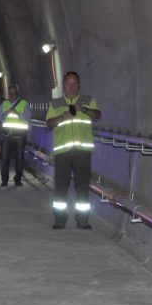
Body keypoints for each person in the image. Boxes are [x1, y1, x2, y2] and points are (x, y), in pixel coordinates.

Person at [45, 72, 101, 229]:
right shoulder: (55, 104)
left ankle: (83, 219)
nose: (71, 87)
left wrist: (84, 109)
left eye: (74, 83)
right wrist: (62, 117)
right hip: (63, 151)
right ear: (63, 85)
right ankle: (59, 219)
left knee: (82, 185)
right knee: (61, 186)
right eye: (68, 84)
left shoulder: (88, 101)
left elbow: (97, 115)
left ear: (79, 85)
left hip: (82, 151)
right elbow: (49, 123)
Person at [0, 84, 31, 187]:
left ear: (17, 93)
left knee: (19, 158)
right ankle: (4, 180)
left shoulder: (24, 103)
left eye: (13, 93)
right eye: (10, 93)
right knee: (5, 158)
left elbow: (27, 117)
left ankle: (18, 179)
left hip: (19, 135)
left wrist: (17, 113)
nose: (11, 95)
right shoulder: (4, 104)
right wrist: (4, 115)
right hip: (6, 135)